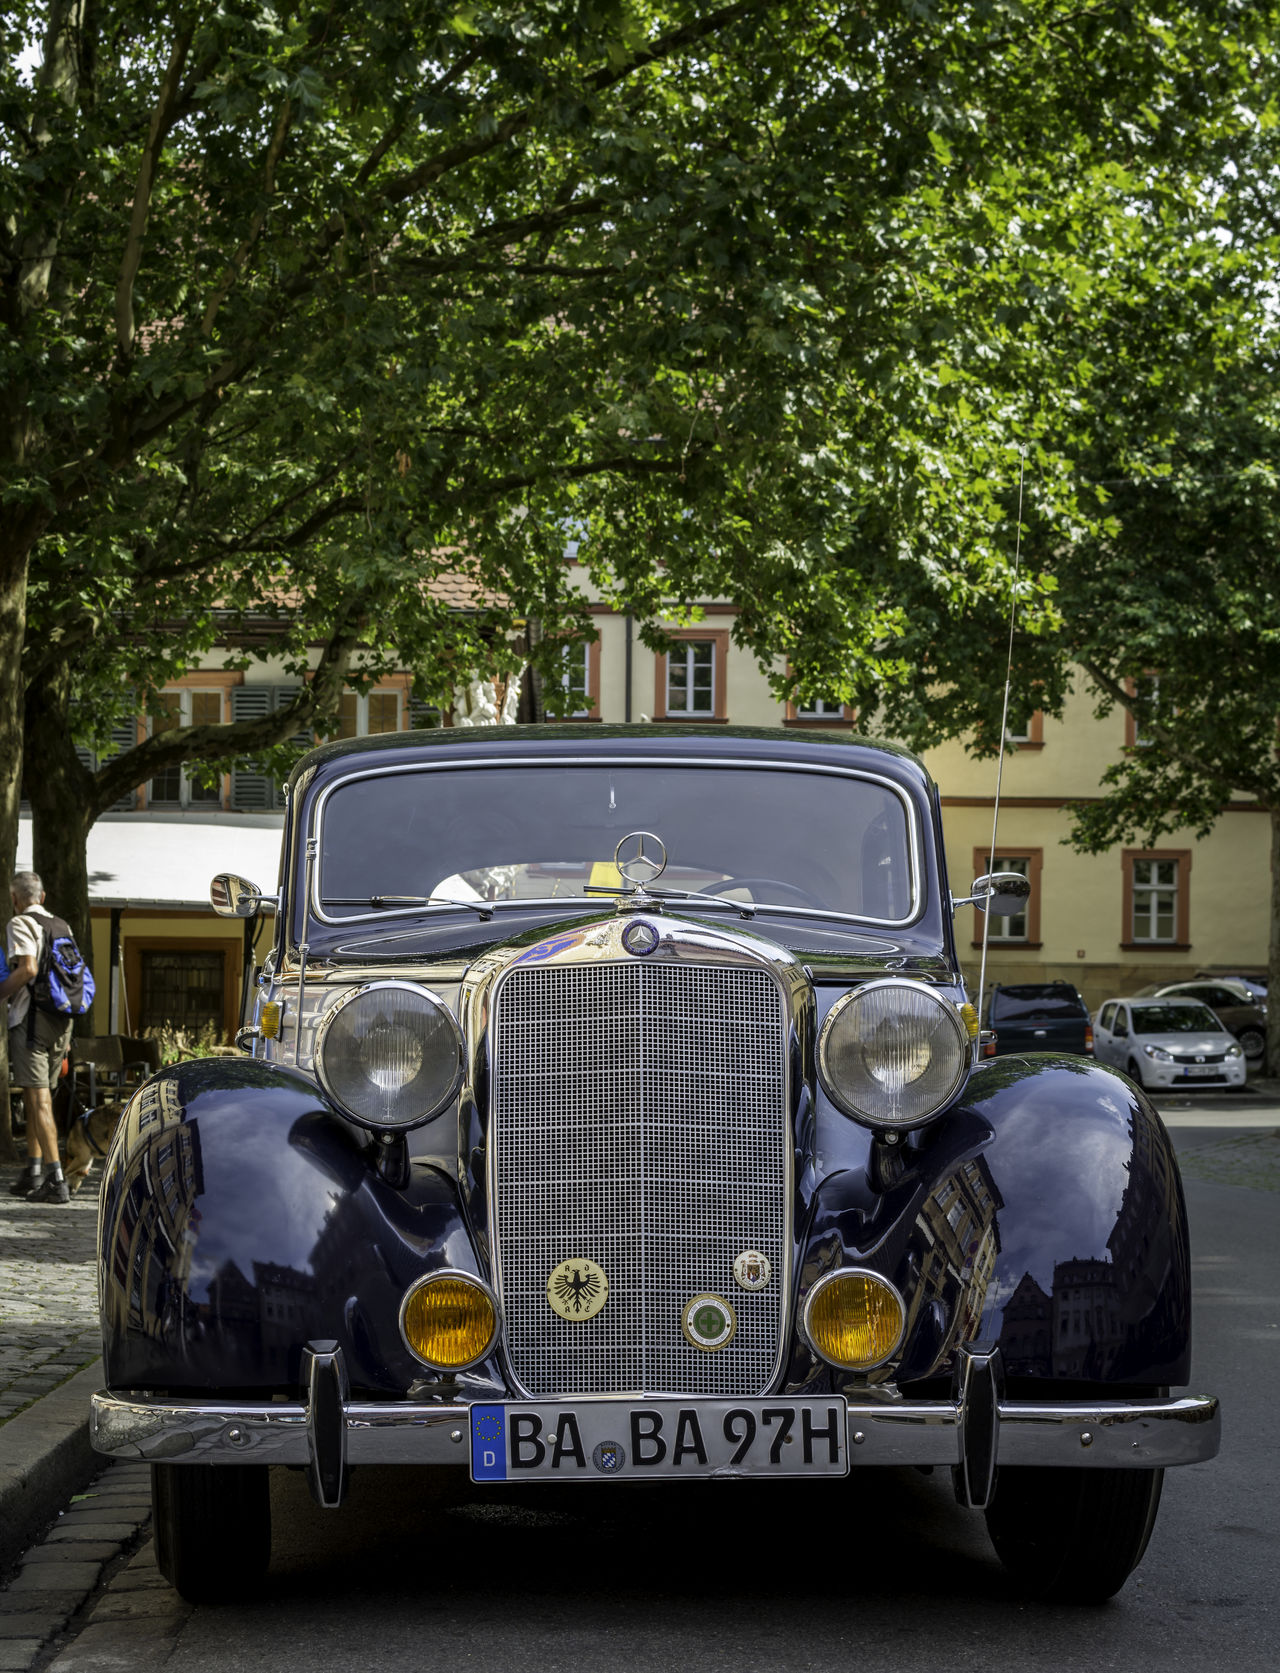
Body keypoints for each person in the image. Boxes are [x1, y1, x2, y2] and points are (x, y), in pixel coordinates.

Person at [2, 871, 73, 1204]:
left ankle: (56, 1179)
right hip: (62, 1021)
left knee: (39, 1100)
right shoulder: (61, 926)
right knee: (37, 1097)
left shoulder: (19, 924)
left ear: (15, 899)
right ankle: (32, 1171)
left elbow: (27, 968)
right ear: (42, 897)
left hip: (31, 1020)